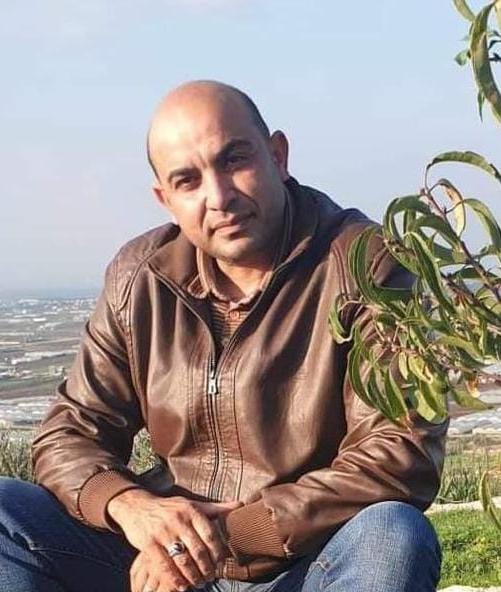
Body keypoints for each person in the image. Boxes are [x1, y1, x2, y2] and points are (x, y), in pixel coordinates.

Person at [0, 80, 448, 592]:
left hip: (307, 564)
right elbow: (70, 432)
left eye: (234, 160)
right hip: (161, 558)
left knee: (392, 535)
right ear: (165, 199)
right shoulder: (141, 277)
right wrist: (132, 507)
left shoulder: (366, 265)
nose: (219, 197)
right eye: (188, 180)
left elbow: (399, 452)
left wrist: (224, 536)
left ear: (278, 156)